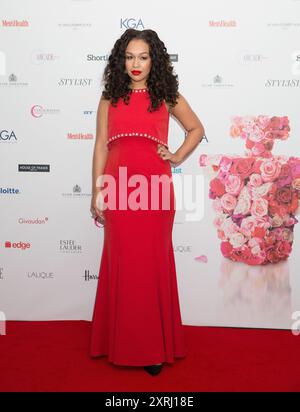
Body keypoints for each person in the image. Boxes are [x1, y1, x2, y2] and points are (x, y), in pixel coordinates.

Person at [89, 28, 205, 376]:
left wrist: (176, 156)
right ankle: (118, 341)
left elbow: (196, 129)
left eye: (143, 56)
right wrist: (98, 189)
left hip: (154, 189)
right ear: (120, 61)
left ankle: (153, 348)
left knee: (150, 264)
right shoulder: (110, 97)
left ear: (154, 60)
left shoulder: (166, 95)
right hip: (119, 186)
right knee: (123, 262)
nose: (135, 64)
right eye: (129, 57)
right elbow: (100, 145)